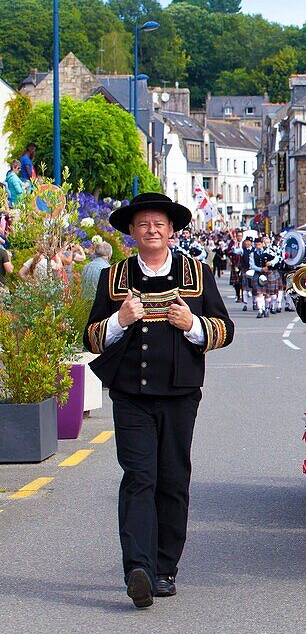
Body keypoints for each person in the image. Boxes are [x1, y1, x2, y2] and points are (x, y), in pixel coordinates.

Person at [83, 192, 234, 608]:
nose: (151, 230)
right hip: (130, 395)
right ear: (131, 232)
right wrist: (120, 320)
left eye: (159, 224)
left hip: (180, 394)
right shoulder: (113, 278)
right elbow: (91, 336)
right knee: (138, 478)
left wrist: (194, 324)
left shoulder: (197, 274)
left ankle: (166, 567)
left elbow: (224, 329)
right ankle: (138, 568)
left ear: (171, 231)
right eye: (143, 224)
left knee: (172, 480)